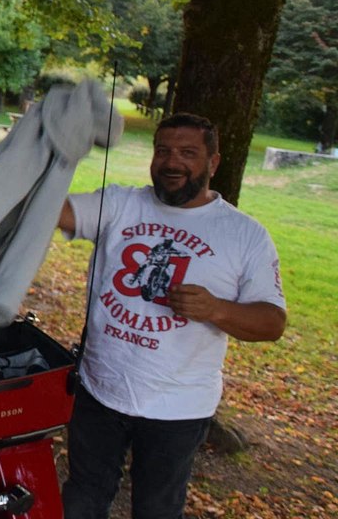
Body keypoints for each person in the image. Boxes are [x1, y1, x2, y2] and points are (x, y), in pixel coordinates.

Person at [58, 112, 287, 519]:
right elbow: (54, 212)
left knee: (158, 509)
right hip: (99, 390)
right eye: (162, 150)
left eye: (187, 153)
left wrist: (216, 309)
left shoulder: (245, 234)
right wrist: (53, 151)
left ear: (213, 163)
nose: (172, 162)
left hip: (178, 409)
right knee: (82, 498)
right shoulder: (122, 203)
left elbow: (272, 322)